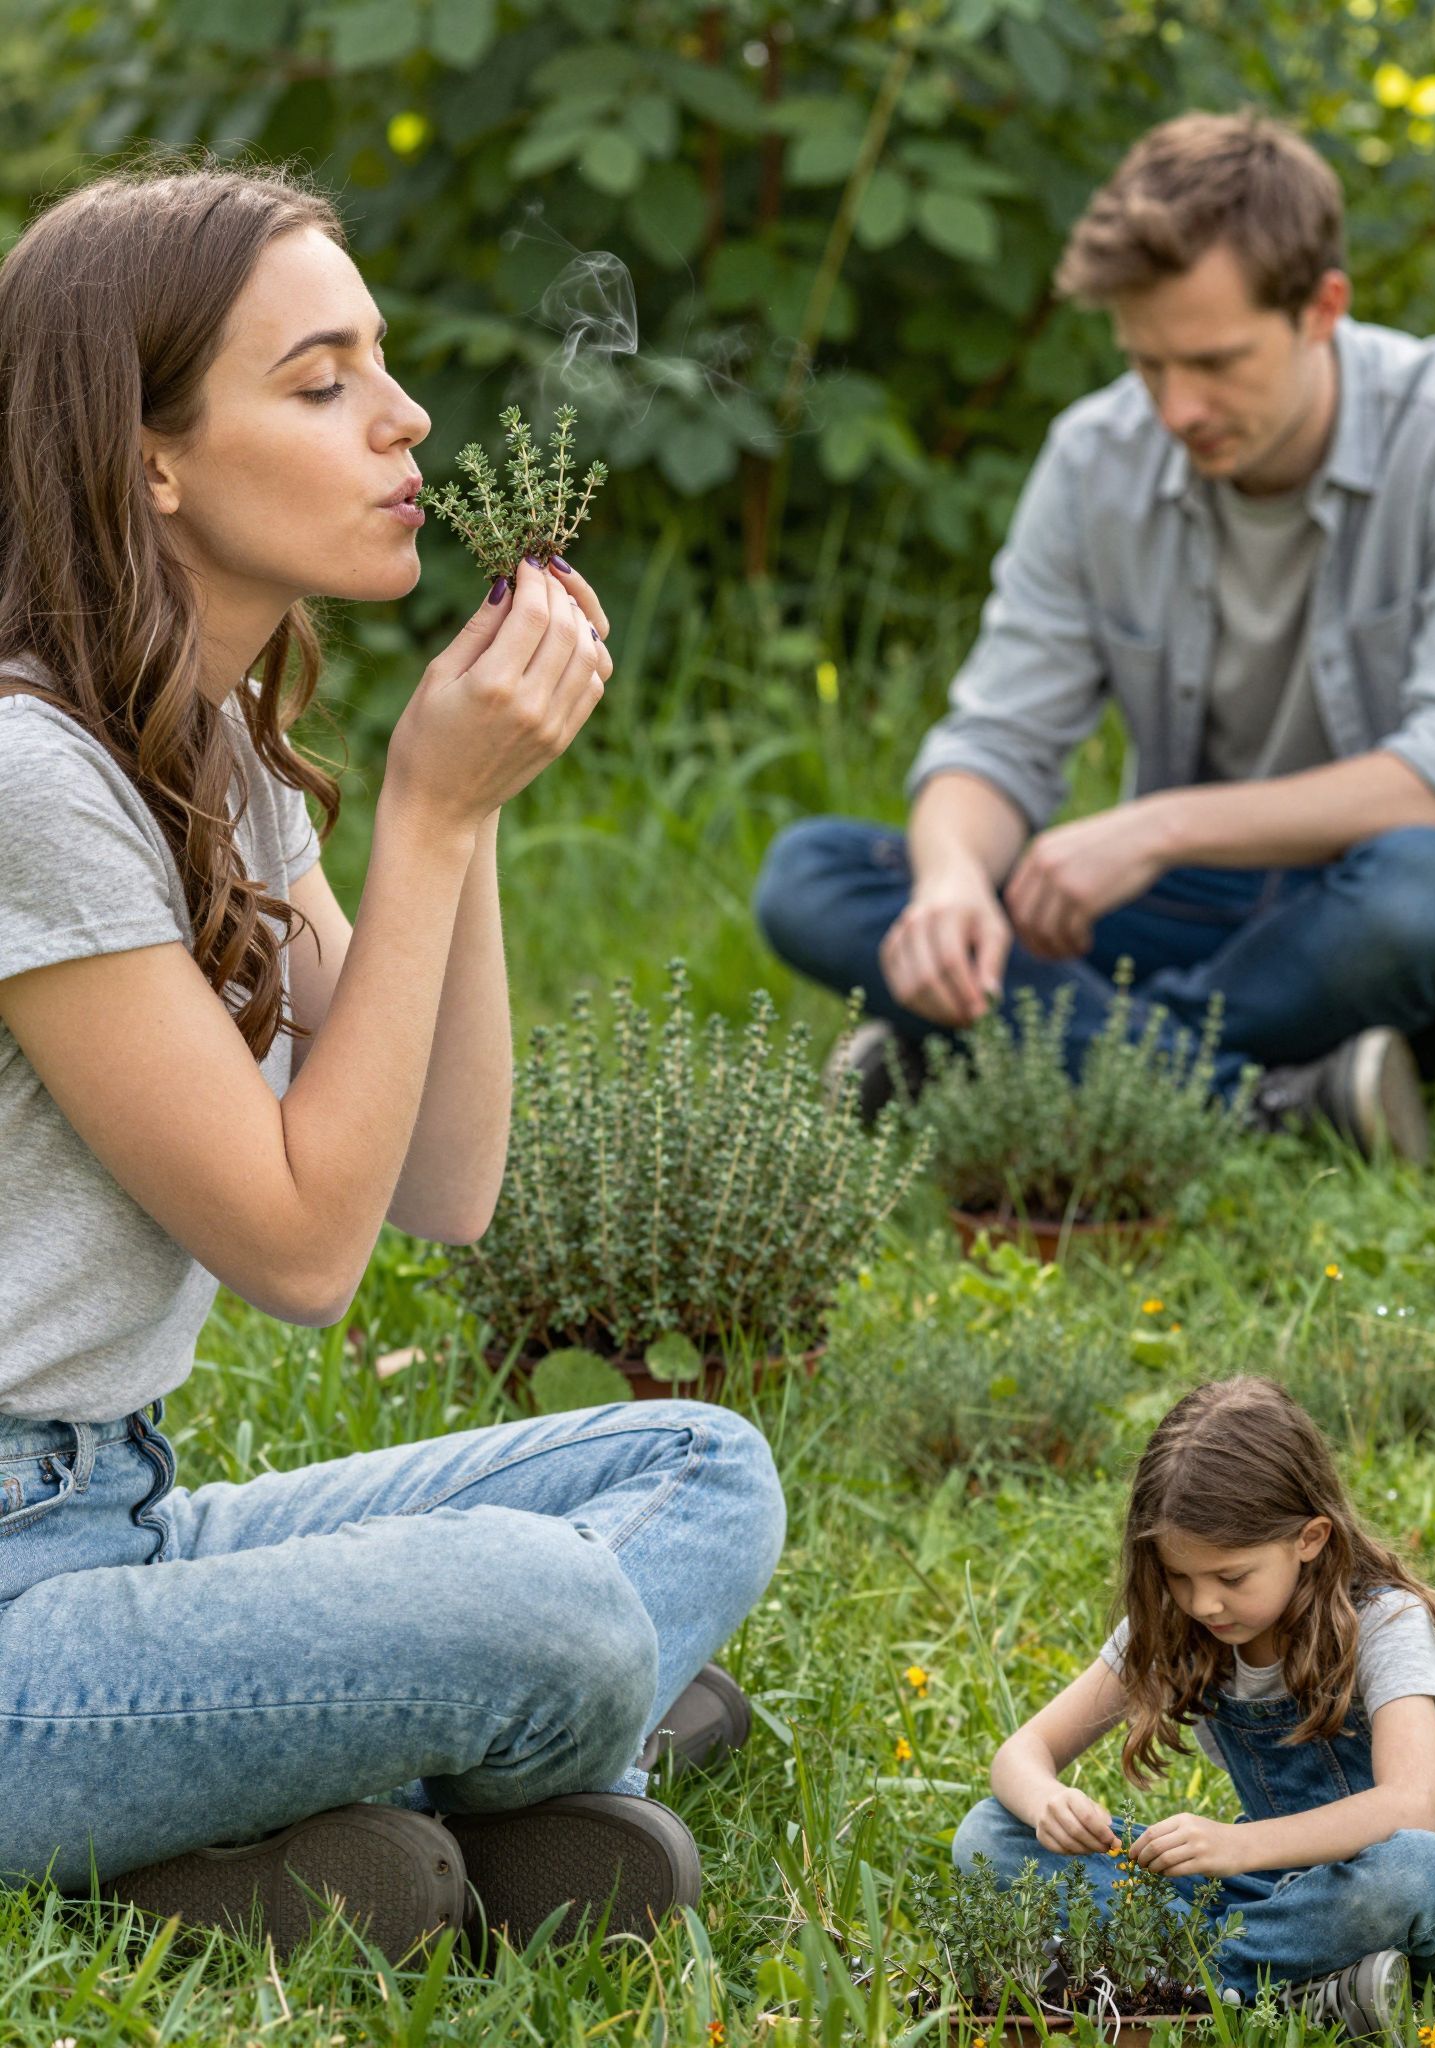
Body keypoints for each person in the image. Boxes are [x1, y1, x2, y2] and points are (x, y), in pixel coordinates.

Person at [0, 155, 786, 1964]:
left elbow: (446, 1184)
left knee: (697, 1470)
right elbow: (304, 1253)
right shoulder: (35, 777)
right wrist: (422, 813)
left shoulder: (210, 747)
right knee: (546, 1612)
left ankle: (313, 1825)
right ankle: (479, 1777)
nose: (406, 414)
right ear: (152, 460)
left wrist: (475, 820)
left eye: (383, 362)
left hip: (111, 1521)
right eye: (322, 377)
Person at [755, 111, 1435, 1167]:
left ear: (1323, 308)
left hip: (1389, 898)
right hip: (1202, 907)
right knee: (814, 877)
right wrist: (948, 884)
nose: (1178, 407)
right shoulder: (1093, 458)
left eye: (1215, 362)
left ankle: (999, 1056)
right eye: (1148, 364)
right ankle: (1272, 1102)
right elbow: (997, 744)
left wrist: (1154, 828)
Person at [951, 1378, 1435, 2043]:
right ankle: (1307, 1994)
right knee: (990, 1835)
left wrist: (1235, 1843)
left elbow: (1409, 1810)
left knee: (1425, 1870)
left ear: (1308, 1538)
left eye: (1231, 1578)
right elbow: (1020, 1756)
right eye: (1179, 1577)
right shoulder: (1176, 1629)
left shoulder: (1387, 1621)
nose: (1203, 1604)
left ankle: (1180, 1993)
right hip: (1272, 1900)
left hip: (1409, 1911)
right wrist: (1046, 1800)